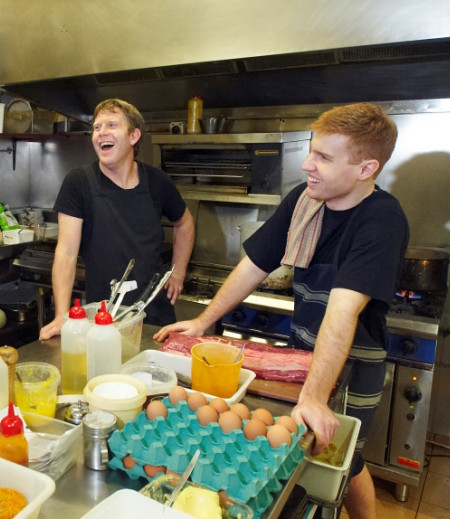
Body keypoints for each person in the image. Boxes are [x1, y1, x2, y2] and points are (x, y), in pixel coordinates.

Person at [154, 102, 408, 518]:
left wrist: (315, 397)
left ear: (365, 169)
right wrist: (202, 320)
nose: (308, 164)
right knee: (302, 456)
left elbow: (342, 313)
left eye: (324, 157)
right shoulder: (305, 201)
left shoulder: (381, 220)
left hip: (352, 364)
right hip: (302, 353)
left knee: (346, 458)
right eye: (311, 150)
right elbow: (253, 266)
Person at [39, 98, 194, 340]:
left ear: (133, 136)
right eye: (97, 127)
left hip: (154, 314)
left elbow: (184, 223)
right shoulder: (78, 183)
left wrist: (178, 272)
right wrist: (61, 314)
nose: (101, 133)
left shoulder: (157, 182)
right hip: (104, 318)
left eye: (111, 125)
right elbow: (66, 252)